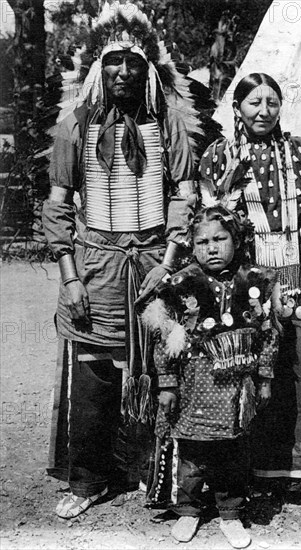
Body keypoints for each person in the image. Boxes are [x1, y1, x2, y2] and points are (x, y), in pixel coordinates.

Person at [42, 2, 202, 519]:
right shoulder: (75, 127)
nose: (124, 72)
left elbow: (184, 194)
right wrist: (69, 279)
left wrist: (172, 260)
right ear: (97, 68)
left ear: (150, 69)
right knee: (95, 369)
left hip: (156, 259)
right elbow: (59, 204)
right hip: (96, 264)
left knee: (163, 365)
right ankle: (88, 478)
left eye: (134, 62)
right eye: (113, 61)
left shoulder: (168, 123)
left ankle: (156, 470)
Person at [198, 73, 301, 513]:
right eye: (254, 102)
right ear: (238, 108)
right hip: (247, 282)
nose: (264, 111)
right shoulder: (219, 157)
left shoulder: (299, 153)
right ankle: (253, 476)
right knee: (252, 374)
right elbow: (210, 226)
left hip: (299, 268)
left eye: (272, 102)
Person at [143, 205, 280, 548]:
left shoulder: (256, 282)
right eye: (202, 242)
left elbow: (268, 334)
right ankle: (188, 508)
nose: (212, 248)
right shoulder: (179, 284)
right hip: (192, 384)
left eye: (220, 239)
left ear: (238, 239)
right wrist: (168, 383)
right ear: (192, 245)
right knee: (190, 450)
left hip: (235, 388)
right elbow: (165, 337)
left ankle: (230, 511)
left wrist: (263, 378)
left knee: (232, 451)